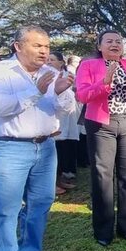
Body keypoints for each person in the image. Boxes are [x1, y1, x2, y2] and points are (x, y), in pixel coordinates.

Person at [0, 26, 75, 251]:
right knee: (4, 209)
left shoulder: (51, 73)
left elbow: (67, 109)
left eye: (46, 46)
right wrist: (35, 91)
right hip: (10, 148)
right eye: (37, 45)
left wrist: (60, 92)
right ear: (18, 46)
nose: (44, 51)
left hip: (45, 147)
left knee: (41, 202)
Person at [75, 30, 126, 246]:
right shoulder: (89, 66)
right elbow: (81, 95)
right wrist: (104, 82)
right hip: (101, 125)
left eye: (118, 41)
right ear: (99, 46)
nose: (115, 44)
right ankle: (103, 231)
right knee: (103, 176)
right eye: (109, 41)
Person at [47, 51, 80, 195]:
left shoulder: (68, 76)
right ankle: (51, 184)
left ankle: (59, 179)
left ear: (61, 63)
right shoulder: (45, 77)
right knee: (53, 151)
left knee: (62, 149)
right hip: (52, 119)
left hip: (67, 118)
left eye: (52, 60)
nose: (48, 62)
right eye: (47, 60)